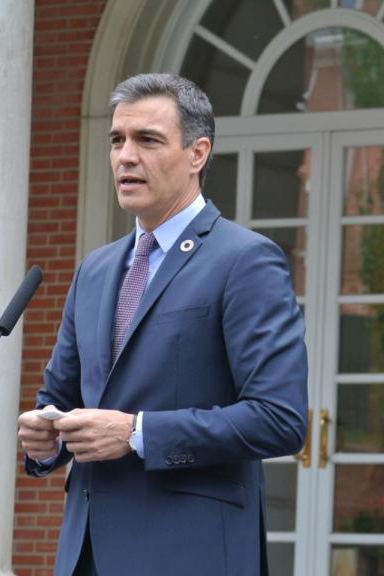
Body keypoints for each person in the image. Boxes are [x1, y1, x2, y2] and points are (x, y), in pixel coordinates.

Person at [16, 73, 308, 576]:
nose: (126, 156)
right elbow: (59, 399)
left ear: (197, 154)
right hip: (86, 555)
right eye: (117, 140)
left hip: (189, 553)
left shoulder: (245, 260)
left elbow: (278, 419)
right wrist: (47, 439)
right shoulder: (95, 270)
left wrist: (137, 433)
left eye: (147, 140)